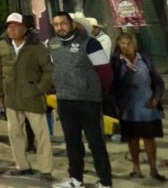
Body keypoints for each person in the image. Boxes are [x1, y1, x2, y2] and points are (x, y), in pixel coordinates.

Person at [49, 11, 113, 188]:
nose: (60, 27)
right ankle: (76, 179)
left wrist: (100, 92)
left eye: (63, 23)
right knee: (72, 142)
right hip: (65, 100)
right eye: (56, 24)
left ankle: (106, 182)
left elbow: (105, 72)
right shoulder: (52, 44)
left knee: (96, 143)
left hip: (88, 101)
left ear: (72, 24)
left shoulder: (90, 43)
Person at [0, 12, 54, 180]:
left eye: (16, 26)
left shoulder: (37, 46)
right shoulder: (2, 45)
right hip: (11, 97)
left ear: (24, 28)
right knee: (15, 134)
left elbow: (48, 70)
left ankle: (45, 169)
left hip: (32, 96)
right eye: (9, 27)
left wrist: (39, 88)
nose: (12, 30)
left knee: (41, 135)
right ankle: (22, 165)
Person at [112, 30, 165, 181]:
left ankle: (154, 170)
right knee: (132, 138)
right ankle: (136, 168)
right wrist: (115, 104)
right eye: (122, 43)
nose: (126, 46)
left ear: (135, 45)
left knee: (150, 138)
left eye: (129, 43)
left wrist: (156, 98)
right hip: (128, 106)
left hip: (148, 105)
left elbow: (158, 81)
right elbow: (112, 86)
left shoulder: (145, 58)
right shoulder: (116, 61)